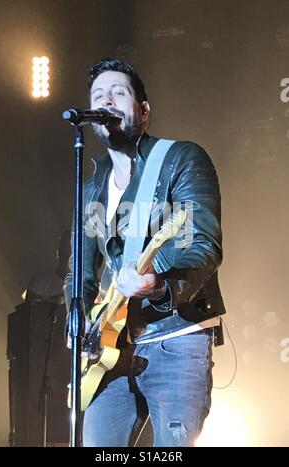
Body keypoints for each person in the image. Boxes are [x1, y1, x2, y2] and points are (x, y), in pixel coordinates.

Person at [64, 58, 226, 447]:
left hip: (176, 338)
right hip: (110, 351)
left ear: (143, 110)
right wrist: (83, 320)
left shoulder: (181, 160)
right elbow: (81, 273)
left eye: (119, 92)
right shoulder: (91, 190)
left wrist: (158, 286)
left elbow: (203, 245)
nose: (107, 100)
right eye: (98, 95)